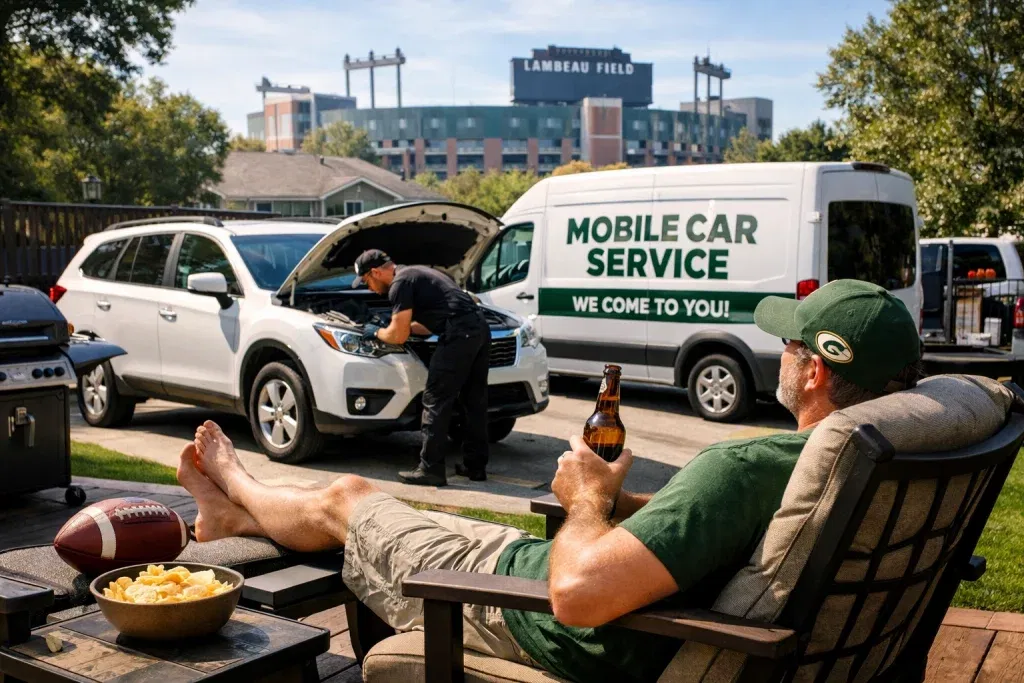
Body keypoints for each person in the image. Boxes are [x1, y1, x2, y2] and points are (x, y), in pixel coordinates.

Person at [177, 280, 922, 683]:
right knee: (374, 506)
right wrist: (618, 498)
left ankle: (237, 485)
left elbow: (580, 595)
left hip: (557, 616)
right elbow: (710, 530)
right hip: (599, 576)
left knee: (348, 497)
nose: (781, 354)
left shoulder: (745, 465)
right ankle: (240, 519)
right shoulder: (862, 462)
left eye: (790, 342)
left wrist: (587, 500)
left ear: (816, 369)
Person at [351, 249, 491, 486]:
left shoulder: (400, 284)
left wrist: (376, 332)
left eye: (367, 281)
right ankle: (475, 466)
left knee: (435, 400)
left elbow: (397, 336)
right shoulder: (417, 273)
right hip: (479, 329)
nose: (368, 288)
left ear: (375, 272)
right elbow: (427, 324)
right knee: (473, 401)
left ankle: (431, 469)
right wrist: (396, 324)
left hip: (459, 334)